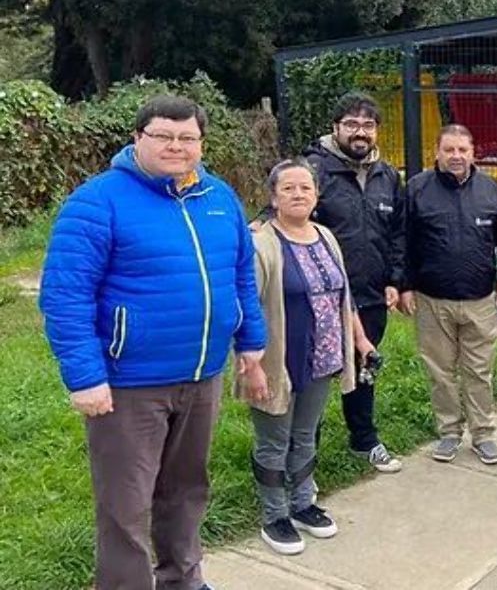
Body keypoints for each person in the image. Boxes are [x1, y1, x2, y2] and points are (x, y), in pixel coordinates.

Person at [39, 95, 268, 590]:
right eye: (163, 135)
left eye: (187, 138)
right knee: (126, 504)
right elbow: (65, 295)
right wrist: (85, 376)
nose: (176, 146)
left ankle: (182, 579)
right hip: (128, 386)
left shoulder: (219, 198)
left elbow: (241, 277)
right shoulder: (98, 202)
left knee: (186, 490)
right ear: (137, 138)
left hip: (202, 376)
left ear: (201, 144)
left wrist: (252, 343)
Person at [238, 159, 375, 555]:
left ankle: (302, 504)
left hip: (323, 359)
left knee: (304, 436)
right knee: (273, 441)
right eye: (288, 189)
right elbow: (245, 308)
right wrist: (252, 365)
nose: (298, 195)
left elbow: (342, 298)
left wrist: (361, 342)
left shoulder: (326, 237)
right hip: (277, 362)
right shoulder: (261, 243)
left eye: (305, 188)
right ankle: (274, 515)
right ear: (272, 197)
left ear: (316, 195)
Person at [397, 125, 497, 465]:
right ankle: (449, 433)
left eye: (462, 150)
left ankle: (483, 434)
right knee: (441, 371)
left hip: (481, 300)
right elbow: (402, 243)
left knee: (479, 372)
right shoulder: (417, 190)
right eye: (448, 149)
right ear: (436, 152)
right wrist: (405, 285)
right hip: (432, 300)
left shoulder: (489, 188)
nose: (455, 156)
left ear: (472, 153)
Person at [302, 92, 405, 472]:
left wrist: (395, 278)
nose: (360, 133)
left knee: (365, 368)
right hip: (321, 297)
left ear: (376, 131)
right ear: (336, 128)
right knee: (313, 376)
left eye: (367, 125)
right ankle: (303, 454)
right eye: (351, 125)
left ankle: (364, 440)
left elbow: (398, 233)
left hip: (372, 293)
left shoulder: (388, 175)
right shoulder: (313, 168)